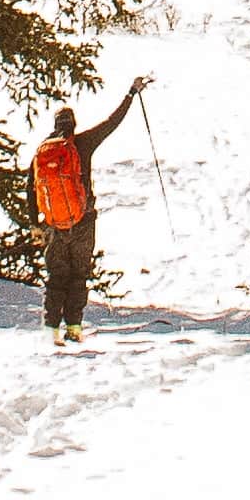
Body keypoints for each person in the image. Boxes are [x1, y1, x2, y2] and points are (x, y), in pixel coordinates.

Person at [28, 76, 150, 346]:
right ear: (73, 126)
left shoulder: (42, 153)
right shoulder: (82, 144)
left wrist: (35, 225)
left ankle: (51, 330)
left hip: (54, 225)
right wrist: (131, 93)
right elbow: (111, 123)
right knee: (78, 275)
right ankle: (74, 328)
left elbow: (31, 191)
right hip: (83, 221)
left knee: (56, 277)